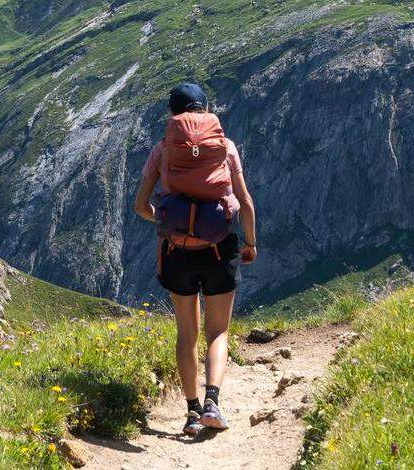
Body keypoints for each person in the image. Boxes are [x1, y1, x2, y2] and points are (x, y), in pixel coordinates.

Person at [134, 83, 259, 436]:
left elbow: (140, 206)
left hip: (177, 253)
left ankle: (189, 413)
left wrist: (169, 221)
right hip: (220, 249)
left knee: (186, 332)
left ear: (173, 115)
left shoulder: (161, 151)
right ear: (205, 109)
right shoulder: (225, 147)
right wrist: (250, 243)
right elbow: (245, 201)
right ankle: (212, 404)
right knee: (218, 331)